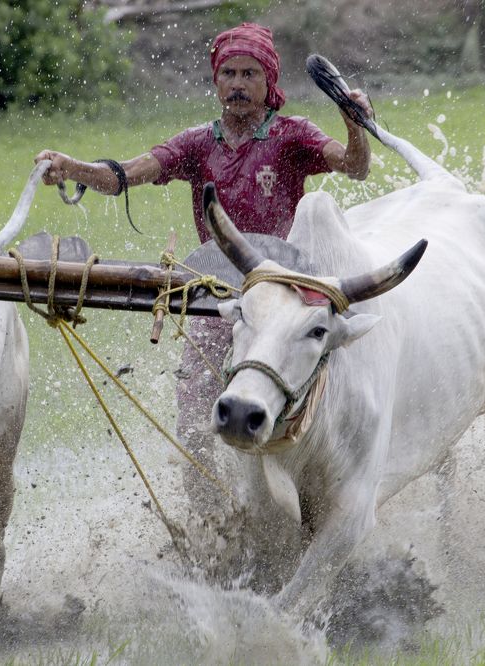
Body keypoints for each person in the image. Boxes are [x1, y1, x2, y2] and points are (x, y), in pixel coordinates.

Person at [34, 22, 376, 521]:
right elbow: (123, 175)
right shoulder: (198, 144)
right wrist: (73, 169)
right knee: (196, 418)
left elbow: (354, 166)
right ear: (216, 83)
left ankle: (315, 495)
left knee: (292, 404)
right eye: (229, 73)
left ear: (269, 83)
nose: (238, 83)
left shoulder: (291, 136)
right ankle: (213, 523)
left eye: (250, 74)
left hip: (282, 302)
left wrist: (353, 123)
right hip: (217, 296)